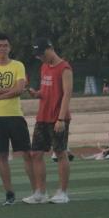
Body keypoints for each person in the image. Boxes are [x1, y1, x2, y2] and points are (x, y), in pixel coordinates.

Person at [0, 33, 31, 205]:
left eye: (5, 45)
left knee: (27, 153)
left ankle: (37, 191)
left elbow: (20, 89)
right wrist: (11, 89)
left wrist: (1, 95)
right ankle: (9, 193)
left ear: (10, 47)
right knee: (2, 155)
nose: (2, 48)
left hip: (16, 115)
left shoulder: (18, 65)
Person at [27, 38, 73, 203]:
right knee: (36, 153)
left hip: (58, 117)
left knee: (60, 153)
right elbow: (46, 90)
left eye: (42, 53)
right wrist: (37, 94)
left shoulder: (65, 68)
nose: (41, 57)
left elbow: (67, 94)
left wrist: (61, 119)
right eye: (38, 55)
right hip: (42, 116)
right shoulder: (44, 67)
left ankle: (62, 192)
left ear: (50, 48)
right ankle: (40, 192)